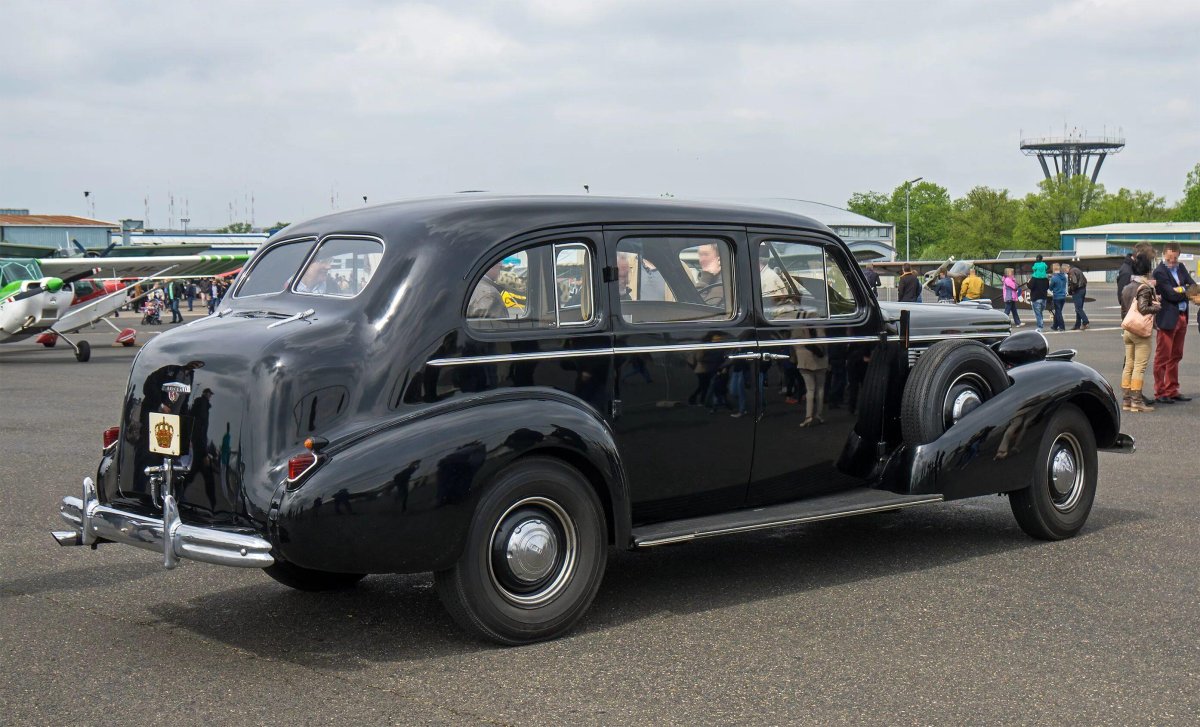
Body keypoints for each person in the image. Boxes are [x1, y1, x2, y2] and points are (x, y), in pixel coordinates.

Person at [1152, 242, 1195, 403]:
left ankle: (1172, 389)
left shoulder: (1182, 267)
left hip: (1182, 316)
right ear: (1164, 255)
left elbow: (1193, 286)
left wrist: (1182, 289)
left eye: (1175, 258)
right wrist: (1184, 290)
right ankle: (1160, 391)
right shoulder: (1160, 272)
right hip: (1168, 319)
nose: (1172, 261)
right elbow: (1170, 294)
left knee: (1176, 355)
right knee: (1163, 356)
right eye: (1170, 258)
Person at [1119, 255, 1160, 412]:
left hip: (1128, 329)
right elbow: (1143, 308)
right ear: (1148, 270)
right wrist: (1156, 306)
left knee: (1128, 365)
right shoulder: (1145, 287)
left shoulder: (1127, 287)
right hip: (1140, 331)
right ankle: (1137, 401)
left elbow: (1123, 307)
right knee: (1139, 367)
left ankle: (1126, 400)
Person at [1068, 264, 1089, 330]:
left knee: (1078, 308)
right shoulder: (1078, 270)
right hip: (1083, 289)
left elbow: (1074, 282)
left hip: (1077, 291)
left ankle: (1085, 321)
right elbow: (1085, 280)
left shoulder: (1071, 272)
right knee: (1079, 308)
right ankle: (1077, 324)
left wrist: (1071, 290)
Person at [1027, 267, 1049, 332]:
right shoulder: (1045, 278)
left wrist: (1028, 282)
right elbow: (1047, 287)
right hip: (1044, 297)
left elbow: (1030, 286)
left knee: (1038, 313)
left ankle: (1040, 327)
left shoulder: (1034, 278)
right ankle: (1041, 323)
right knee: (1040, 312)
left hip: (1036, 297)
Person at [1048, 263, 1068, 331]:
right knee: (1058, 312)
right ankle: (1055, 326)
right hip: (1063, 296)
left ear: (1054, 269)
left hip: (1057, 297)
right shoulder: (1064, 276)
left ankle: (1062, 326)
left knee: (1058, 312)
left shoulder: (1054, 278)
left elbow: (1050, 288)